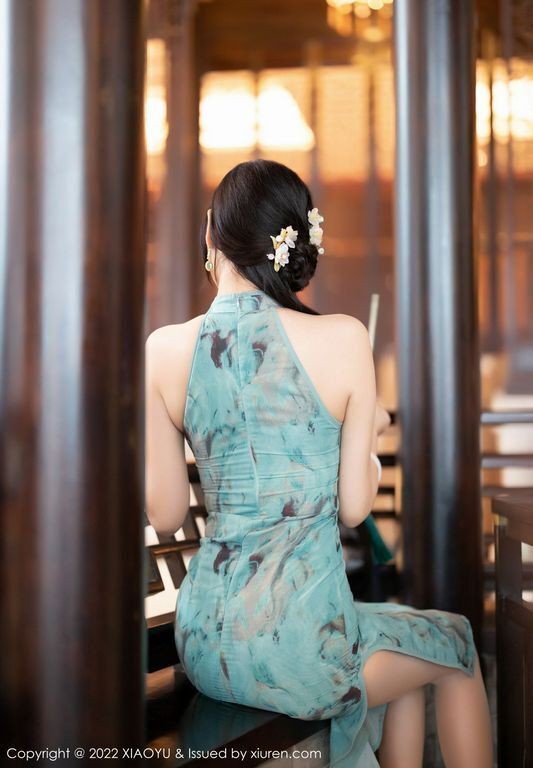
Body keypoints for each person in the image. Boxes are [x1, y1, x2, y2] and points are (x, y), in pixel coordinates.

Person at [145, 159, 493, 767]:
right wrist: (366, 442)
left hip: (205, 642)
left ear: (212, 234)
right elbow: (355, 508)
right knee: (456, 643)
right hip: (303, 644)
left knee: (403, 666)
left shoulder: (163, 349)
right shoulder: (343, 336)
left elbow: (168, 513)